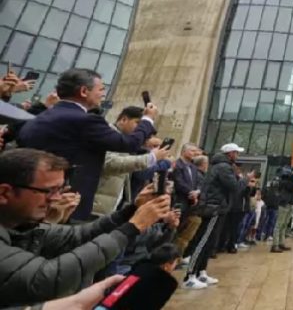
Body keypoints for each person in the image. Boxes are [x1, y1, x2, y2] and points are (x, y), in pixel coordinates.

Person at [0, 148, 170, 306]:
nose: (56, 198)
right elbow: (45, 279)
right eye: (49, 191)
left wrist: (131, 210)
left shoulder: (21, 224)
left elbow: (79, 236)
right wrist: (132, 227)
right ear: (5, 193)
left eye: (60, 189)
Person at [17, 69, 158, 220]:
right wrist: (147, 119)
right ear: (84, 91)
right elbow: (129, 143)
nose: (102, 95)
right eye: (101, 89)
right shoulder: (86, 121)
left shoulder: (42, 115)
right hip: (66, 207)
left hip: (28, 201)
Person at [183, 143, 252, 289]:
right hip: (214, 207)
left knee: (210, 242)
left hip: (219, 207)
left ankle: (201, 271)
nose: (237, 155)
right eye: (236, 153)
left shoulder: (221, 166)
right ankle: (190, 276)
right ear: (230, 154)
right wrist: (246, 179)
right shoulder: (223, 167)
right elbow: (235, 187)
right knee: (203, 240)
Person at [92, 107, 171, 216]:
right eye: (138, 124)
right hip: (95, 206)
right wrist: (153, 158)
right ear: (123, 120)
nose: (141, 130)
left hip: (110, 208)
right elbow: (111, 163)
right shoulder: (109, 134)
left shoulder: (126, 143)